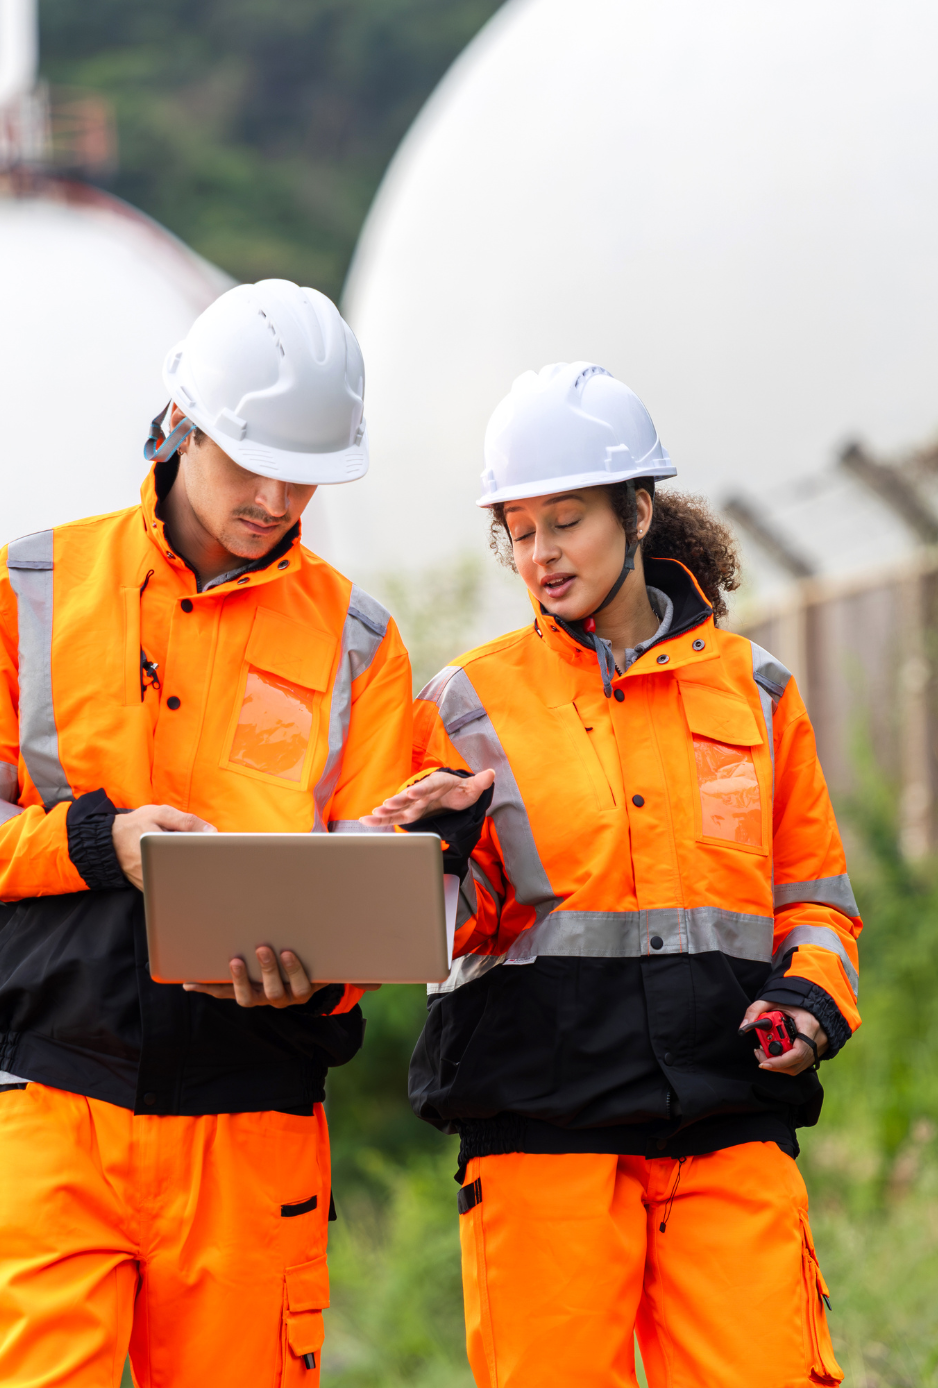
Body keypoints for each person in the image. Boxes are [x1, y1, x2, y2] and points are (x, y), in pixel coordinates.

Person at [0, 279, 462, 1387]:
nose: (275, 496)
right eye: (248, 461)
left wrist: (317, 980)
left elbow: (381, 879)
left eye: (302, 472)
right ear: (180, 425)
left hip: (253, 1117)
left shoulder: (359, 640)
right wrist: (97, 842)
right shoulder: (32, 587)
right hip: (56, 1103)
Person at [365, 363, 857, 1387]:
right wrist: (445, 850)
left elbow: (812, 898)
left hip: (725, 1120)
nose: (539, 555)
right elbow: (433, 929)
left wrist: (807, 998)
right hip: (543, 1134)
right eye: (519, 530)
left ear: (637, 510)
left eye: (565, 521)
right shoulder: (464, 706)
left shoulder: (758, 694)